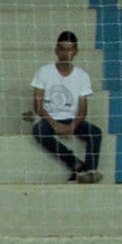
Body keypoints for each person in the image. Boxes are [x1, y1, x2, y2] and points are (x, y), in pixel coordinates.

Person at [30, 31, 103, 184]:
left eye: (69, 49)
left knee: (95, 133)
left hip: (71, 119)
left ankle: (89, 171)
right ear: (56, 51)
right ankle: (77, 165)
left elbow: (83, 110)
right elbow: (38, 106)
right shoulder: (44, 71)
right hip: (49, 119)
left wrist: (72, 126)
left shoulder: (82, 76)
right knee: (39, 131)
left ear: (76, 51)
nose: (65, 53)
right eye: (62, 49)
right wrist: (56, 124)